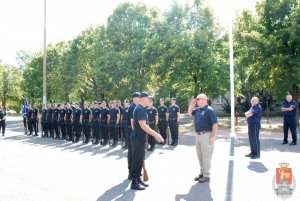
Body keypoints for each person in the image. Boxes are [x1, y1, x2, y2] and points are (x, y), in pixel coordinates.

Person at [130, 92, 164, 190]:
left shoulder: (141, 109)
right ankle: (134, 182)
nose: (150, 100)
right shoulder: (140, 109)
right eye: (148, 99)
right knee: (137, 160)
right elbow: (143, 125)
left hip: (139, 137)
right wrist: (156, 134)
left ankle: (138, 179)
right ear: (144, 99)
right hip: (138, 138)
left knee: (140, 159)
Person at [188, 94, 218, 183]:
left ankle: (206, 175)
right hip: (198, 135)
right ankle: (202, 172)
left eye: (198, 99)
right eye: (196, 99)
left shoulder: (209, 110)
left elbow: (215, 124)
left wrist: (213, 136)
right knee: (200, 156)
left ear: (204, 100)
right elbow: (189, 113)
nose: (196, 100)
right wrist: (191, 104)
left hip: (207, 135)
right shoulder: (197, 110)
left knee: (206, 156)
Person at [127, 92, 140, 180]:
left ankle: (134, 171)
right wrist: (136, 133)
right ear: (134, 98)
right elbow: (132, 122)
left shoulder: (135, 106)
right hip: (131, 131)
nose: (139, 99)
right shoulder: (132, 107)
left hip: (132, 131)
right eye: (138, 97)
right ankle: (131, 172)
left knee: (134, 152)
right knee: (132, 152)